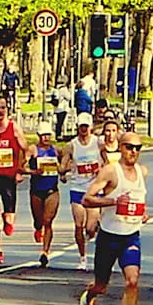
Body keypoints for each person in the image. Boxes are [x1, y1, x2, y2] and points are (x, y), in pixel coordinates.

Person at [75, 131, 150, 305]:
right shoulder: (110, 171)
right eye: (129, 147)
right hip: (109, 236)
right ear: (121, 148)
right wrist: (113, 201)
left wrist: (142, 213)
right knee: (101, 285)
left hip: (131, 235)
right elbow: (87, 199)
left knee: (132, 281)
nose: (133, 152)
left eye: (137, 148)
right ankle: (89, 297)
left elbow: (139, 201)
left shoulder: (142, 172)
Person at [0, 94, 30, 263]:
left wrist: (20, 170)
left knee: (8, 216)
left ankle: (8, 221)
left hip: (9, 176)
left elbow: (25, 149)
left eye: (3, 107)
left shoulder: (14, 128)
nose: (0, 110)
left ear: (7, 109)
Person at [60, 112, 101, 271]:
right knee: (79, 225)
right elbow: (63, 165)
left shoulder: (98, 143)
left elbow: (107, 160)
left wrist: (103, 172)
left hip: (93, 189)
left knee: (90, 228)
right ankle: (82, 257)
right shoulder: (71, 145)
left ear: (90, 127)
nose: (84, 129)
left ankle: (94, 230)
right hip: (77, 188)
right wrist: (64, 171)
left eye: (86, 126)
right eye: (81, 126)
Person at [26, 122, 61, 267]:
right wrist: (33, 172)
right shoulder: (33, 150)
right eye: (43, 135)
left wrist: (63, 172)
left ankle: (45, 252)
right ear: (39, 136)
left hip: (52, 190)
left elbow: (65, 163)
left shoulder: (56, 150)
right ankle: (37, 228)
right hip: (36, 190)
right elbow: (22, 166)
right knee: (39, 220)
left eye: (48, 135)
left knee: (48, 221)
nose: (46, 138)